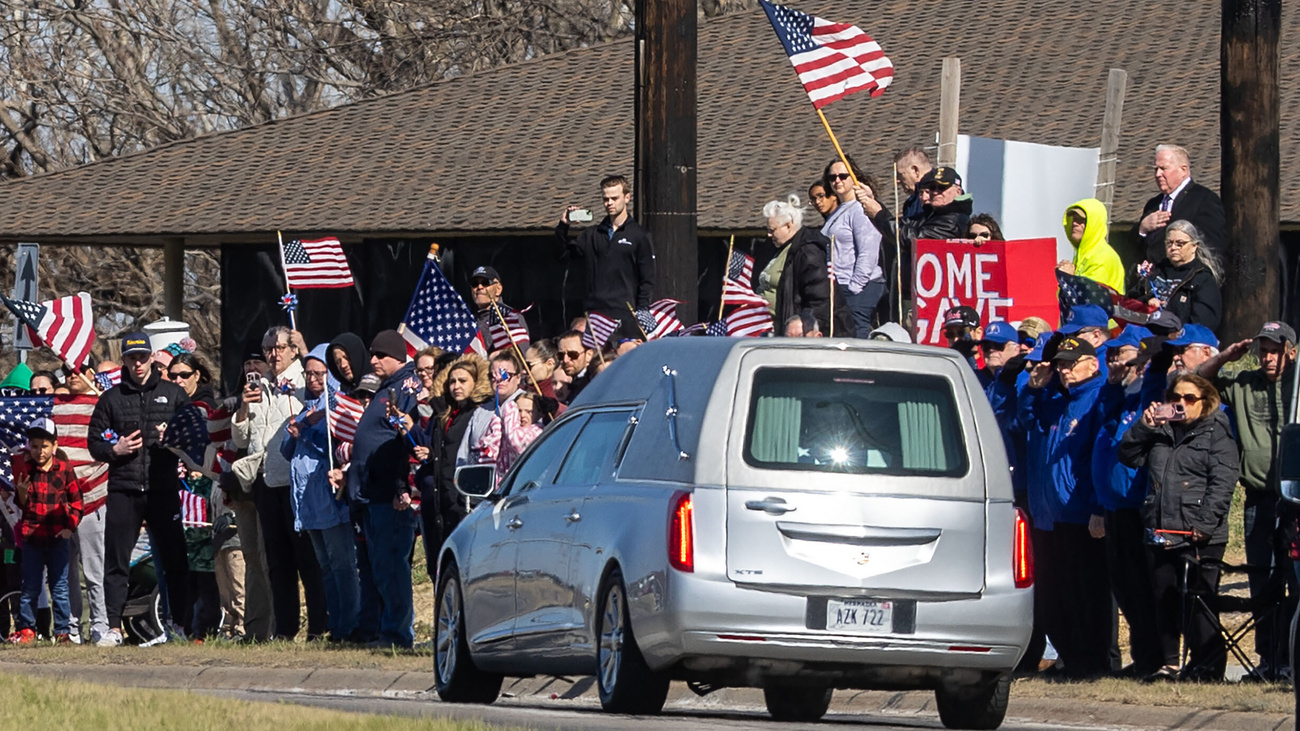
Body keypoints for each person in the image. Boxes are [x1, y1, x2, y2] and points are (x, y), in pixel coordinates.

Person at [1119, 374, 1238, 682]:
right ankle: (1171, 664)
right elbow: (1128, 456)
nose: (1182, 404)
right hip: (1161, 529)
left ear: (1206, 401)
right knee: (1164, 600)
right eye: (1177, 398)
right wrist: (1145, 426)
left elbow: (1223, 484)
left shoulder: (1217, 434)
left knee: (1199, 603)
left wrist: (1204, 524)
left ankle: (1208, 667)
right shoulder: (1161, 430)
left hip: (1198, 533)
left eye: (1190, 399)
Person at [1198, 321, 1297, 681]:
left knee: (1295, 580)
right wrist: (1226, 356)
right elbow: (1197, 381)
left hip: (1296, 501)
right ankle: (1268, 658)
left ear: (1291, 352)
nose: (1268, 358)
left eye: (1275, 350)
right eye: (1263, 350)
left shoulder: (1297, 386)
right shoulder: (1243, 384)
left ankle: (1290, 658)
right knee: (1262, 579)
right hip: (1259, 497)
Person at [88, 332, 192, 647]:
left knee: (175, 559)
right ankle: (114, 628)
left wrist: (173, 439)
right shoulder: (111, 399)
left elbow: (194, 438)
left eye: (143, 357)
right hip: (124, 489)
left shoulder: (173, 394)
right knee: (116, 561)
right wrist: (114, 449)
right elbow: (94, 442)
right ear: (125, 361)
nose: (138, 364)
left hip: (163, 489)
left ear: (151, 358)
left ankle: (179, 626)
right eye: (132, 358)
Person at [1019, 335, 1111, 678]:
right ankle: (1068, 658)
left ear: (1092, 363)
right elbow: (1026, 421)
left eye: (1071, 364)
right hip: (1048, 514)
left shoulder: (1097, 398)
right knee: (1052, 595)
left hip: (1079, 514)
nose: (1064, 371)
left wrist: (1097, 507)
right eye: (1060, 364)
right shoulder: (1056, 399)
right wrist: (1031, 389)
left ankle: (1090, 661)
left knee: (1085, 594)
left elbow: (1097, 459)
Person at [232, 326, 326, 642]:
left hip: (298, 482)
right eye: (269, 348)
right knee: (277, 561)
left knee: (307, 559)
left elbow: (325, 396)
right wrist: (244, 406)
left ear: (292, 349)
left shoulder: (304, 380)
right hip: (266, 482)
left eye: (280, 348)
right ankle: (285, 629)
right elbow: (241, 438)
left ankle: (318, 627)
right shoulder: (260, 386)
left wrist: (305, 349)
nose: (274, 354)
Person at [1091, 325, 1163, 677]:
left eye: (1120, 354)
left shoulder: (1148, 391)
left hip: (1137, 505)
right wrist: (1111, 384)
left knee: (1142, 586)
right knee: (1125, 587)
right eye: (1110, 355)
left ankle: (1153, 657)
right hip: (1115, 504)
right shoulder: (1122, 394)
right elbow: (1102, 423)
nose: (1113, 361)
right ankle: (1142, 656)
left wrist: (1146, 361)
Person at [281, 345, 358, 643]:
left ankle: (349, 625)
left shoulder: (336, 407)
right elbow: (288, 452)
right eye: (308, 373)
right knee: (325, 567)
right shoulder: (306, 407)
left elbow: (336, 449)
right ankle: (334, 625)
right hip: (307, 504)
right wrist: (293, 432)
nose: (312, 379)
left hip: (330, 499)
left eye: (319, 374)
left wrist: (310, 432)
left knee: (342, 566)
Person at [349, 329, 422, 649]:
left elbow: (405, 438)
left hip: (393, 496)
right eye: (372, 354)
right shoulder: (386, 388)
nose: (374, 360)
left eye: (381, 355)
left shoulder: (407, 387)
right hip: (373, 494)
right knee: (380, 566)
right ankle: (385, 629)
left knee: (393, 566)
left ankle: (397, 634)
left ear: (399, 356)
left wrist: (399, 486)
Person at [404, 354, 492, 578]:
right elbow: (442, 451)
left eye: (463, 381)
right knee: (441, 570)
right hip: (440, 502)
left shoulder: (478, 414)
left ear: (475, 383)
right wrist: (430, 451)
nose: (456, 386)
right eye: (452, 381)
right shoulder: (444, 415)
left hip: (463, 501)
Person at [8, 418, 82, 644]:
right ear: (29, 446)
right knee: (30, 586)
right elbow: (23, 505)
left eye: (45, 446)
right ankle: (27, 629)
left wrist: (70, 528)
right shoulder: (26, 469)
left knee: (59, 586)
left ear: (55, 446)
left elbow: (78, 502)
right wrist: (21, 492)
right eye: (35, 446)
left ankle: (62, 631)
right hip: (32, 537)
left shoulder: (65, 470)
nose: (40, 451)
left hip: (58, 537)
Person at [557, 174, 656, 332]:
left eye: (614, 198)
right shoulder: (592, 235)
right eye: (605, 199)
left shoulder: (640, 235)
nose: (609, 203)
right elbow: (562, 255)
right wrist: (563, 226)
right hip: (594, 313)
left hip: (626, 313)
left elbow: (647, 278)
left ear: (627, 198)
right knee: (596, 357)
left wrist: (642, 309)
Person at [762, 195, 852, 337]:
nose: (768, 234)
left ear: (788, 225)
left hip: (802, 334)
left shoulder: (808, 253)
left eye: (772, 230)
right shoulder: (783, 249)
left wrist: (805, 330)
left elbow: (820, 299)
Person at [821, 156, 888, 336]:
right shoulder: (839, 210)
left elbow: (868, 250)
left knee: (856, 335)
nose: (837, 180)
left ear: (854, 177)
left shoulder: (860, 208)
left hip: (859, 286)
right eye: (832, 177)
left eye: (843, 176)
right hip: (839, 285)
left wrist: (855, 287)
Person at [1136, 144, 1227, 262]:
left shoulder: (1204, 200)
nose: (1158, 174)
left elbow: (1213, 249)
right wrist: (1142, 229)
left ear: (1183, 170)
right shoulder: (1153, 204)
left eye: (1163, 168)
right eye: (1156, 169)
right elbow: (1137, 250)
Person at [1131, 220, 1223, 331]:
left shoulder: (1202, 278)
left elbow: (1204, 323)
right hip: (1144, 337)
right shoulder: (1154, 271)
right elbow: (1130, 300)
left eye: (1180, 244)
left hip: (1178, 341)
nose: (1173, 248)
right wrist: (1147, 301)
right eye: (1169, 243)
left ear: (1194, 246)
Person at [1058, 199, 1124, 292]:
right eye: (1074, 218)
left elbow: (1091, 297)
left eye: (1081, 220)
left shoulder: (1102, 257)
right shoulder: (1084, 254)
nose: (1074, 223)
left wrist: (1068, 278)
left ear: (1093, 224)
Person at [468, 266, 529, 349]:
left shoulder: (511, 317)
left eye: (485, 283)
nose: (479, 287)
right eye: (475, 284)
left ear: (498, 289)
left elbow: (520, 354)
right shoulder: (468, 319)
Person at [893, 145, 933, 220]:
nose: (898, 181)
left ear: (915, 170)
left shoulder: (939, 196)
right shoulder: (910, 203)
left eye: (901, 174)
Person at [555, 330, 593, 405]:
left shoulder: (593, 382)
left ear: (588, 355)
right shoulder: (575, 382)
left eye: (572, 355)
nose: (565, 360)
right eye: (561, 355)